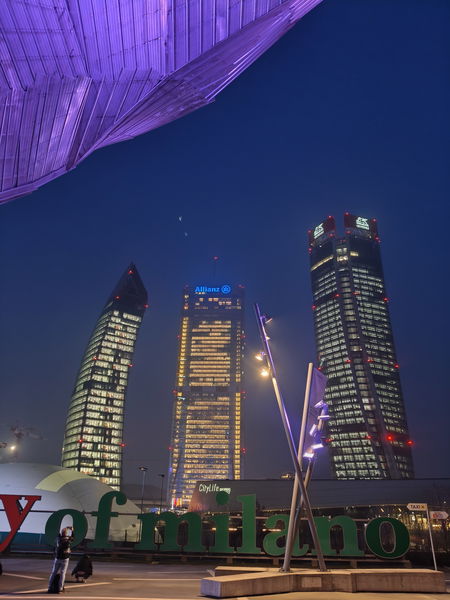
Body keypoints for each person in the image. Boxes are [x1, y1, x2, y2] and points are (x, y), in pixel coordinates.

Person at [48, 526, 74, 593]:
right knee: (63, 573)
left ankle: (49, 586)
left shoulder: (59, 539)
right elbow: (73, 537)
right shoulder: (68, 540)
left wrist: (65, 529)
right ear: (66, 534)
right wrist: (72, 530)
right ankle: (60, 588)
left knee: (53, 572)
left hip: (58, 558)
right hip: (65, 558)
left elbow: (59, 533)